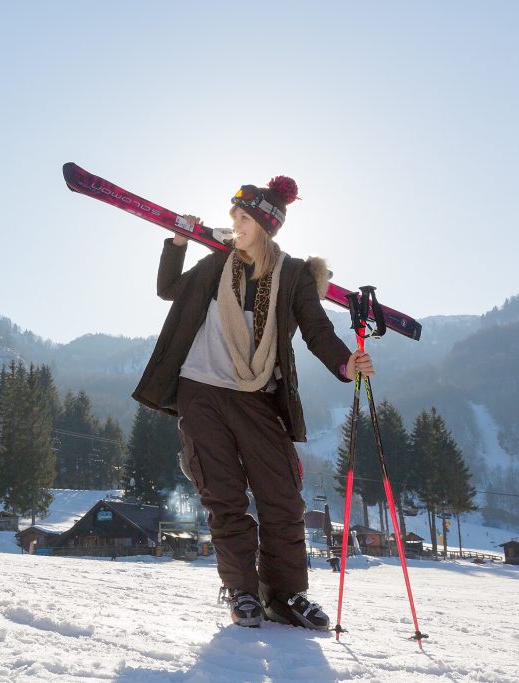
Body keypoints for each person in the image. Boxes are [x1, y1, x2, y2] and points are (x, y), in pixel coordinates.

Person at [132, 175, 374, 630]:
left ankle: (285, 596)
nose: (235, 226)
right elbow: (168, 290)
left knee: (282, 497)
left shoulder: (295, 275)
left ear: (265, 225)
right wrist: (179, 241)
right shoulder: (217, 262)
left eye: (243, 219)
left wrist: (348, 365)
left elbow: (318, 331)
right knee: (224, 497)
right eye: (233, 218)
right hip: (200, 390)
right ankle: (242, 591)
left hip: (259, 395)